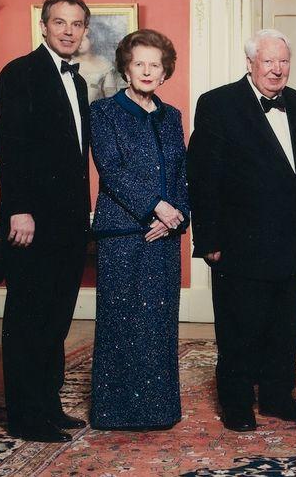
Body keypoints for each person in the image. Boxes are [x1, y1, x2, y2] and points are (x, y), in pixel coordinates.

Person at [187, 28, 296, 432]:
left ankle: (278, 396)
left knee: (285, 324)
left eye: (283, 61)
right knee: (240, 324)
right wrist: (208, 239)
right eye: (268, 61)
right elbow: (202, 175)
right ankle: (237, 402)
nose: (277, 69)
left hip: (293, 237)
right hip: (238, 240)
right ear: (250, 63)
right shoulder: (217, 104)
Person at [0, 0, 92, 442]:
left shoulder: (78, 82)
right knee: (28, 320)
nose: (68, 31)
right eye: (60, 23)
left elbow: (73, 158)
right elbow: (10, 148)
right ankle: (25, 416)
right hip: (30, 222)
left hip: (69, 224)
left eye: (76, 24)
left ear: (84, 30)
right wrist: (19, 209)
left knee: (56, 319)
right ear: (43, 26)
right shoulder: (20, 73)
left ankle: (48, 405)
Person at [88, 29, 189, 430]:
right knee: (121, 322)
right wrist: (156, 209)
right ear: (126, 69)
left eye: (155, 64)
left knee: (159, 325)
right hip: (124, 234)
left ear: (165, 72)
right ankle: (115, 414)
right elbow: (111, 170)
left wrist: (175, 215)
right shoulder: (104, 113)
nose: (147, 71)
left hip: (165, 236)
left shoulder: (172, 116)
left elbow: (182, 173)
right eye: (139, 63)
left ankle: (158, 412)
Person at [73, 27, 126, 103]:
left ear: (92, 40)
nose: (79, 43)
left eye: (83, 40)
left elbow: (110, 94)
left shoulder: (104, 64)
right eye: (76, 40)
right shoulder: (69, 63)